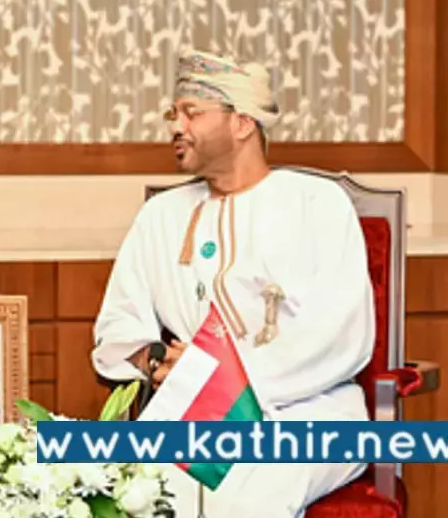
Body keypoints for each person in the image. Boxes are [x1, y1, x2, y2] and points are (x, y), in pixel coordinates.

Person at [91, 48, 376, 517]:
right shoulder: (160, 217)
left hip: (312, 410)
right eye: (173, 114)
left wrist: (226, 376)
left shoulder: (317, 204)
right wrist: (161, 360)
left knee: (245, 496)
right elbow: (118, 328)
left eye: (192, 113)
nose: (176, 126)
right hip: (194, 411)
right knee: (135, 491)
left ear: (242, 122)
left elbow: (342, 334)